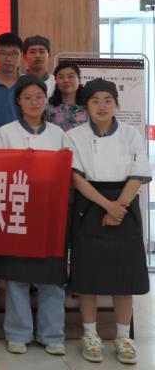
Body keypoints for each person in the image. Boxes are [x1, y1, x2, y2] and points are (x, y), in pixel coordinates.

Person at [66, 78, 151, 365]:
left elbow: (138, 174)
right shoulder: (74, 136)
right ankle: (90, 334)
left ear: (116, 103)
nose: (102, 106)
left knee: (124, 276)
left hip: (125, 203)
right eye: (95, 101)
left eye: (107, 100)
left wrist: (119, 207)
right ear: (86, 106)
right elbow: (77, 178)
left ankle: (123, 337)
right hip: (89, 204)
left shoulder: (130, 134)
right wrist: (108, 207)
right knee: (88, 276)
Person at [0, 75, 67, 357]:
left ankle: (52, 334)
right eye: (27, 98)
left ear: (46, 100)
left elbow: (65, 174)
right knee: (17, 276)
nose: (34, 102)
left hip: (49, 212)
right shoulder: (4, 133)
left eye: (38, 97)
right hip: (16, 210)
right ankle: (18, 333)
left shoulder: (59, 134)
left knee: (51, 275)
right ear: (18, 102)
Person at [44, 61, 88, 131]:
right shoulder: (47, 110)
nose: (66, 80)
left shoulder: (89, 108)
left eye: (71, 76)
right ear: (56, 81)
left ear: (79, 79)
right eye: (61, 77)